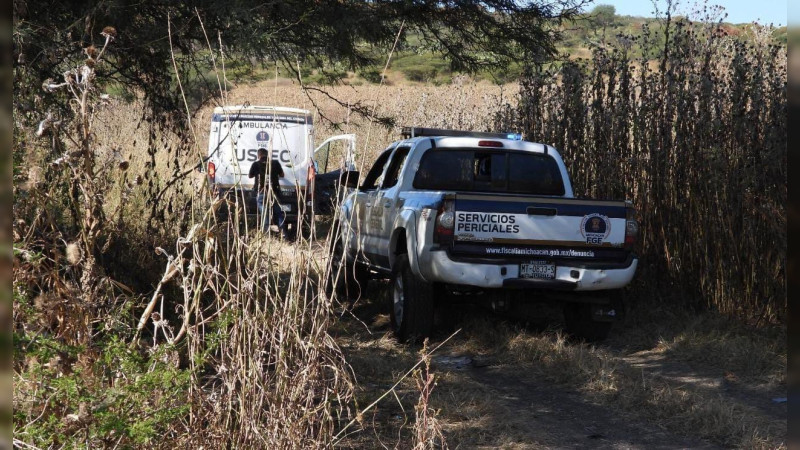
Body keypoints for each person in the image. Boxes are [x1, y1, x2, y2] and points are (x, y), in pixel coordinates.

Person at [248, 148, 288, 239]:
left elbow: (250, 176)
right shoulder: (275, 163)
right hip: (274, 192)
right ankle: (284, 234)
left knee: (264, 213)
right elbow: (282, 175)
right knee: (278, 213)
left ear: (259, 156)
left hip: (262, 192)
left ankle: (266, 236)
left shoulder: (255, 164)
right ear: (267, 155)